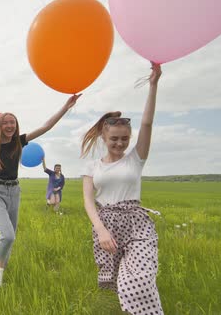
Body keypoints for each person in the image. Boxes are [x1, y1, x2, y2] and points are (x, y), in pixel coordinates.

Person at [0, 95, 80, 287]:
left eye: (13, 122)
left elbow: (46, 127)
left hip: (14, 191)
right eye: (6, 123)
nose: (10, 126)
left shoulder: (19, 142)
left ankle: (2, 267)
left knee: (11, 235)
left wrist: (65, 107)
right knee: (8, 235)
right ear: (0, 126)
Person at [81, 63, 163, 314]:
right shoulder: (92, 165)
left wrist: (153, 85)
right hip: (107, 226)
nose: (119, 143)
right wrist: (102, 231)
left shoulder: (136, 158)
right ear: (104, 139)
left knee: (137, 281)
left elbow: (147, 124)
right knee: (120, 285)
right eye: (114, 138)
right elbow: (88, 201)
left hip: (137, 224)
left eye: (124, 138)